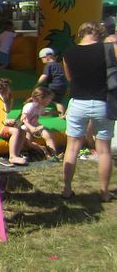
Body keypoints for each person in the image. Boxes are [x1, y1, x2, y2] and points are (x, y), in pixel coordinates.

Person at [62, 21, 115, 202]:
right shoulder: (109, 49)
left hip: (78, 103)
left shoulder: (68, 52)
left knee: (72, 148)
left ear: (81, 33)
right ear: (99, 33)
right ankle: (104, 192)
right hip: (103, 102)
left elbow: (70, 78)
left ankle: (67, 189)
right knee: (104, 151)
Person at [19, 86, 58, 158]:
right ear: (39, 98)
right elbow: (23, 119)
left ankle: (53, 154)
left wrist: (50, 112)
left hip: (36, 126)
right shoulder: (29, 106)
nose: (49, 101)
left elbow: (42, 113)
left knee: (48, 135)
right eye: (48, 99)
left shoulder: (41, 106)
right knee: (28, 141)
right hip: (26, 127)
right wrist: (30, 128)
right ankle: (40, 150)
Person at [37, 47, 68, 118]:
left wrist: (38, 83)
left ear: (47, 57)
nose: (42, 60)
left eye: (42, 58)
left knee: (41, 95)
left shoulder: (48, 65)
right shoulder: (58, 64)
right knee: (57, 100)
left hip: (53, 85)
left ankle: (39, 111)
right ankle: (62, 114)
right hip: (62, 85)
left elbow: (44, 75)